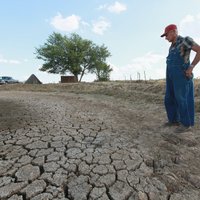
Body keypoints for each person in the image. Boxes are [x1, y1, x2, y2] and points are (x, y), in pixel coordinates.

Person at [161, 24, 200, 133]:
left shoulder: (185, 40)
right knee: (169, 98)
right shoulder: (171, 46)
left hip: (182, 75)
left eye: (166, 35)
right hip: (170, 75)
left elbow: (199, 50)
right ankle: (174, 120)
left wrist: (191, 67)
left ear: (173, 32)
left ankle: (186, 124)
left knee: (182, 99)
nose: (165, 38)